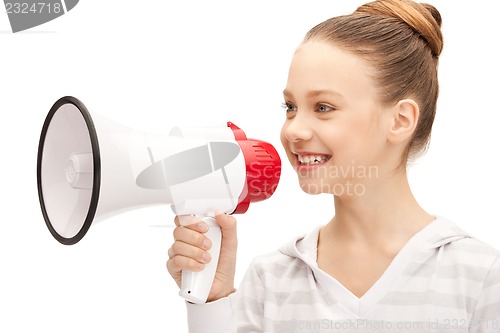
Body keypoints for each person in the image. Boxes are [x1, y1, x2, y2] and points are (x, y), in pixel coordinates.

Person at [166, 0, 500, 332]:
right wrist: (213, 300)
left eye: (323, 107)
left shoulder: (479, 276)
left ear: (399, 120)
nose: (294, 130)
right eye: (291, 106)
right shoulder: (271, 279)